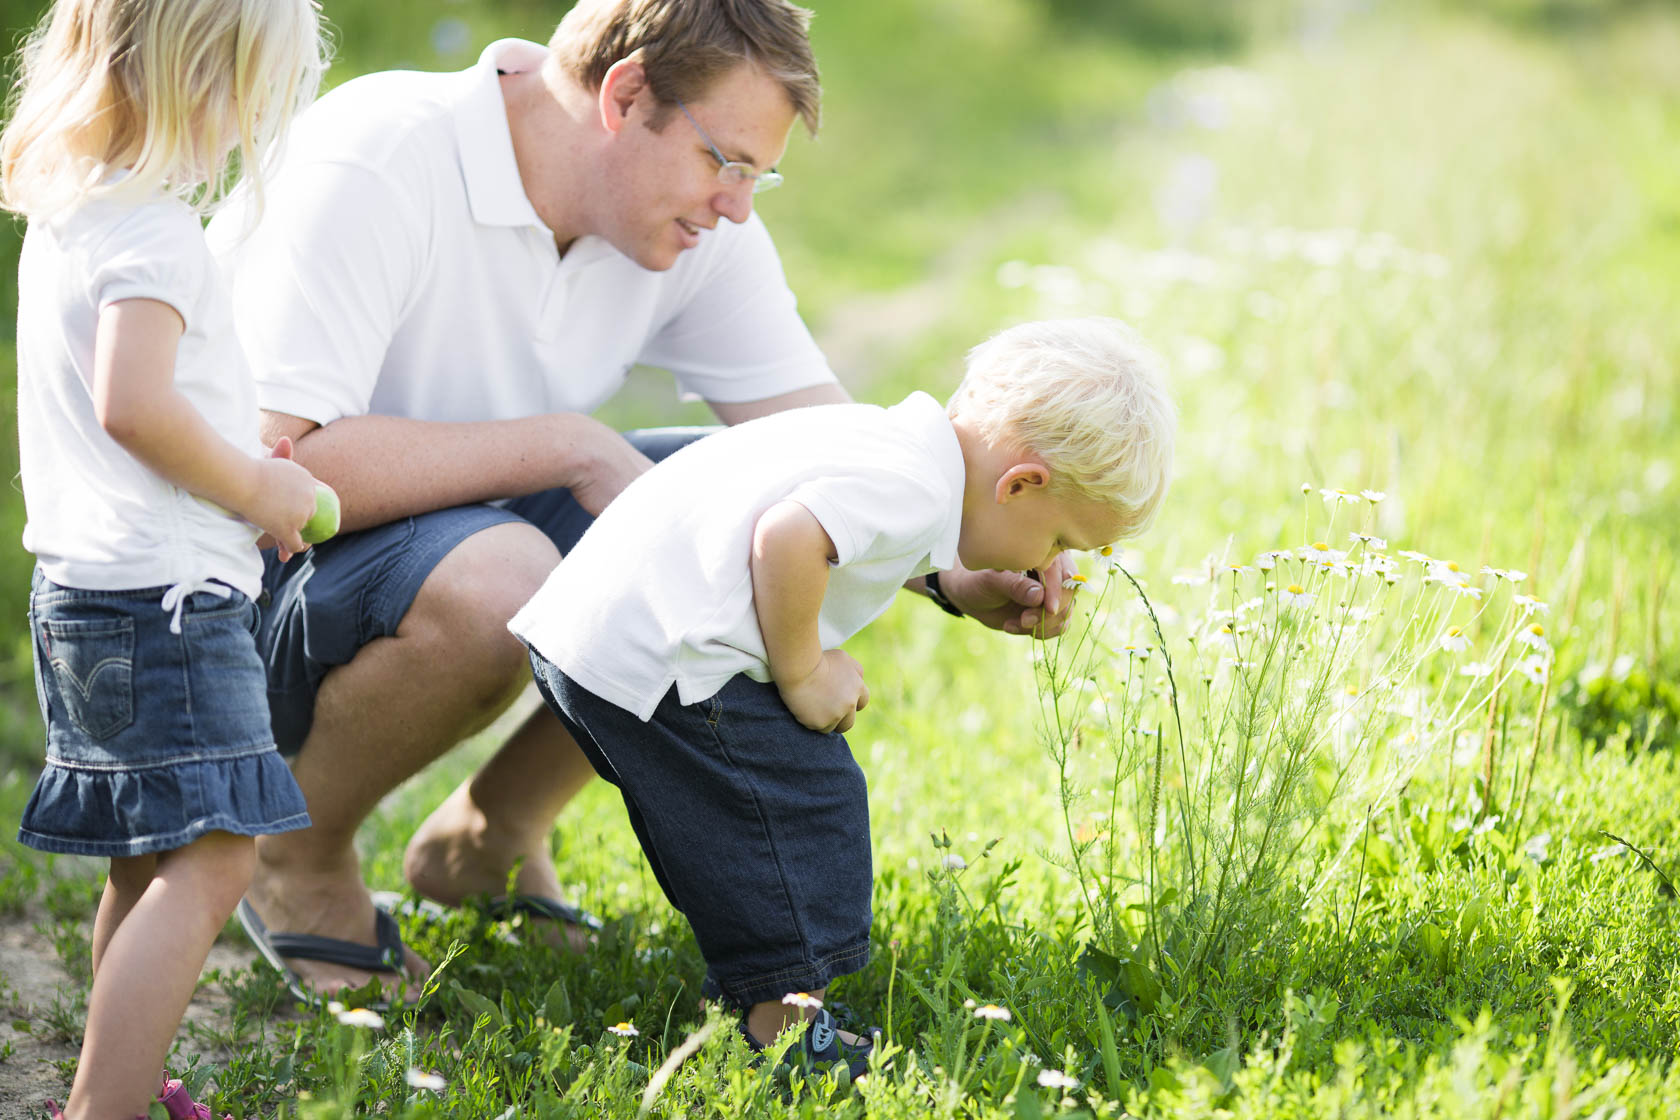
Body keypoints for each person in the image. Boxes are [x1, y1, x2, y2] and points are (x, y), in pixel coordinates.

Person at [210, 0, 1085, 1007]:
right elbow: (280, 470)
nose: (739, 205)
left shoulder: (691, 225)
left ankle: (489, 834)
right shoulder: (384, 157)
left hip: (439, 540)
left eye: (760, 173)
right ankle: (297, 854)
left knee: (763, 515)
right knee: (507, 576)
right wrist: (572, 447)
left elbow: (831, 453)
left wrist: (954, 564)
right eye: (729, 161)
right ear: (625, 97)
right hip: (244, 585)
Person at [508, 317, 1175, 1073]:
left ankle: (750, 991)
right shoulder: (916, 484)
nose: (1053, 562)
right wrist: (805, 672)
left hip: (598, 631)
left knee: (732, 816)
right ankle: (784, 1027)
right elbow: (790, 537)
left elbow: (838, 531)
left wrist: (959, 587)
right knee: (803, 802)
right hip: (668, 650)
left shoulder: (888, 441)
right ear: (1020, 485)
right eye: (1059, 541)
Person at [0, 0, 329, 1116]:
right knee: (216, 861)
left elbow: (139, 415)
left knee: (147, 856)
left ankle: (118, 1077)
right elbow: (134, 404)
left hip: (90, 591)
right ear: (198, 82)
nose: (251, 126)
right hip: (168, 603)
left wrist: (238, 459)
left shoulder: (75, 216)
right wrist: (259, 486)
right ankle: (107, 1107)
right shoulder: (154, 234)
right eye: (252, 94)